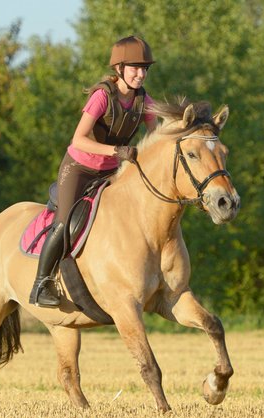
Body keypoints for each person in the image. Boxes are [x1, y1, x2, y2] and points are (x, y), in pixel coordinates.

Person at [29, 35, 158, 307]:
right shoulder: (102, 97)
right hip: (79, 168)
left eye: (145, 68)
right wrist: (117, 152)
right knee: (64, 221)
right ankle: (41, 284)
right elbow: (79, 139)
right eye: (135, 68)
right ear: (119, 68)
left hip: (111, 173)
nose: (141, 74)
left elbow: (155, 137)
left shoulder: (144, 101)